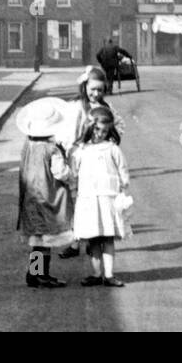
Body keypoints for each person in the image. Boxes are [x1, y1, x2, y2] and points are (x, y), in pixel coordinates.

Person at [58, 66, 125, 259]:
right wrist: (76, 148)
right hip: (81, 160)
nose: (95, 93)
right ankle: (76, 241)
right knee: (78, 200)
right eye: (92, 89)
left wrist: (110, 140)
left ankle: (93, 239)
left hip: (100, 164)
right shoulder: (77, 107)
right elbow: (67, 134)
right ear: (84, 86)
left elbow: (118, 124)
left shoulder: (106, 108)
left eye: (100, 90)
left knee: (95, 200)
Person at [15, 98, 74, 289]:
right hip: (48, 198)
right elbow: (60, 173)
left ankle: (34, 273)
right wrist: (71, 173)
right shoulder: (52, 149)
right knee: (45, 240)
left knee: (38, 240)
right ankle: (41, 274)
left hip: (31, 198)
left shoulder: (29, 146)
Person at [71, 106, 131, 287]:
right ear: (90, 127)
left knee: (108, 238)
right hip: (89, 200)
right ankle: (97, 274)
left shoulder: (112, 149)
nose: (100, 134)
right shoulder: (82, 150)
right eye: (97, 129)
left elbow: (123, 170)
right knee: (94, 239)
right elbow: (73, 171)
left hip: (108, 200)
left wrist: (123, 186)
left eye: (105, 131)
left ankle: (109, 274)